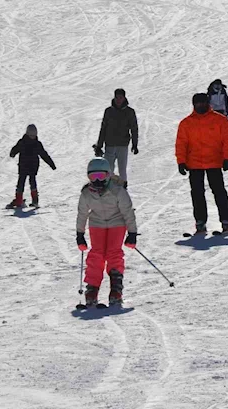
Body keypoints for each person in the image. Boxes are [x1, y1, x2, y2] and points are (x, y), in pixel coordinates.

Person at [76, 157, 137, 307]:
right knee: (96, 254)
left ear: (108, 175)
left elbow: (128, 212)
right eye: (93, 177)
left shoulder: (118, 191)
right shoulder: (86, 193)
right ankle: (92, 288)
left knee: (113, 252)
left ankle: (116, 289)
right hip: (97, 223)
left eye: (101, 176)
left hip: (117, 222)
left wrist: (132, 233)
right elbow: (82, 213)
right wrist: (80, 234)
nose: (97, 181)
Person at [176, 92, 228, 233]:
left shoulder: (219, 120)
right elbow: (181, 143)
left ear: (208, 103)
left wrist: (227, 158)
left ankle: (226, 221)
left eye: (203, 103)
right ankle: (200, 221)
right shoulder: (186, 123)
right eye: (197, 103)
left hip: (214, 162)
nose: (200, 105)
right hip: (194, 163)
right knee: (197, 194)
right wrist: (181, 161)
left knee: (219, 192)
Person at [93, 89, 138, 189]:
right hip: (110, 144)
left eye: (120, 97)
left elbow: (134, 128)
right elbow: (103, 128)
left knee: (122, 169)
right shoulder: (108, 111)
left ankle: (123, 189)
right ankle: (108, 188)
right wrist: (99, 145)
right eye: (117, 97)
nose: (118, 100)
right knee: (108, 169)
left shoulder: (129, 112)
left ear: (124, 98)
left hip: (122, 145)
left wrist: (135, 144)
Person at [6, 124, 56, 209]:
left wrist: (52, 164)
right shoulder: (22, 142)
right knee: (21, 182)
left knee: (32, 182)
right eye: (31, 135)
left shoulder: (36, 144)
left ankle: (35, 201)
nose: (32, 137)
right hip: (24, 166)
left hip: (32, 167)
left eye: (34, 135)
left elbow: (44, 154)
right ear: (27, 134)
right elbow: (15, 148)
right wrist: (13, 153)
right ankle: (19, 201)